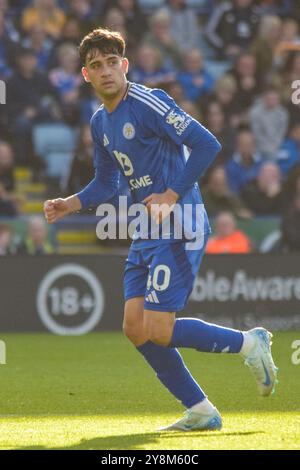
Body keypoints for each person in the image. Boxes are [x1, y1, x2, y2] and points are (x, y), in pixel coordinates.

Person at [44, 28, 278, 432]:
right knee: (135, 328)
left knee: (159, 328)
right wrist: (70, 203)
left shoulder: (149, 102)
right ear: (85, 75)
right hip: (146, 228)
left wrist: (170, 193)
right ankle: (201, 410)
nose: (105, 72)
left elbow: (207, 143)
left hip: (181, 222)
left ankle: (249, 343)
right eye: (96, 66)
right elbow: (107, 183)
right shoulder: (100, 122)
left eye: (111, 63)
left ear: (125, 65)